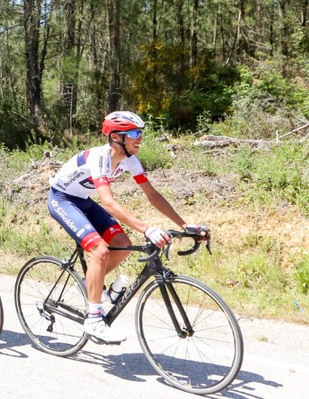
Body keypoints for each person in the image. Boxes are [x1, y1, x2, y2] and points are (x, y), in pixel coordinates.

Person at [47, 110, 207, 345]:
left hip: (83, 201)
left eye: (140, 133)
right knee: (100, 251)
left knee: (122, 246)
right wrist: (147, 228)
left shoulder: (130, 160)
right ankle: (93, 320)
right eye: (133, 133)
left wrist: (184, 224)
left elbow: (152, 195)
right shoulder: (99, 158)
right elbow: (109, 203)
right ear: (115, 137)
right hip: (62, 199)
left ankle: (90, 283)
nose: (139, 138)